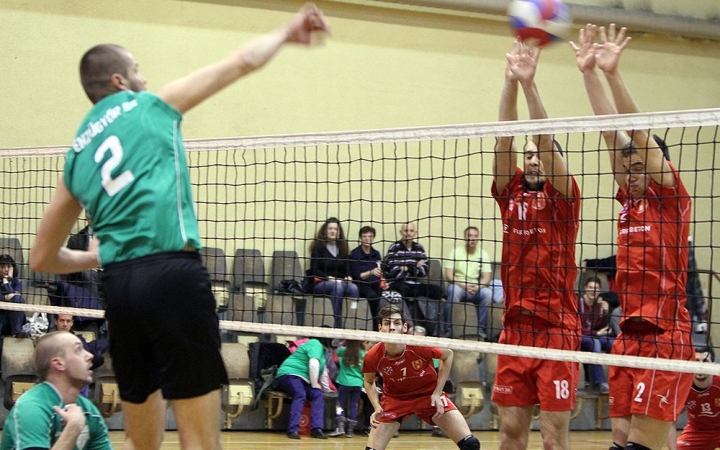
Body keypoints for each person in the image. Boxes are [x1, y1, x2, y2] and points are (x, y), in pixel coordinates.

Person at [28, 5, 330, 450]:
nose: (145, 78)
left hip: (120, 288)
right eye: (137, 70)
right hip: (173, 277)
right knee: (201, 441)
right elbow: (239, 62)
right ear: (120, 81)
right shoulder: (150, 107)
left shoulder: (77, 153)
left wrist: (98, 255)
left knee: (140, 441)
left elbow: (42, 257)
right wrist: (287, 31)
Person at [571, 23, 695, 450]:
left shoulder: (671, 197)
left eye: (640, 166)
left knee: (640, 447)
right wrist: (588, 72)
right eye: (627, 168)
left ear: (658, 165)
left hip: (665, 334)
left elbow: (638, 134)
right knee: (621, 444)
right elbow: (612, 133)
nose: (631, 173)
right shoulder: (627, 199)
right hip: (629, 336)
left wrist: (613, 73)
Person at [491, 40, 581, 450]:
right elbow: (503, 141)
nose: (532, 159)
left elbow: (545, 139)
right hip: (515, 330)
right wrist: (509, 81)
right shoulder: (510, 192)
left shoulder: (564, 199)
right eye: (527, 154)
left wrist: (530, 85)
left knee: (552, 438)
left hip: (556, 331)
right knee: (510, 434)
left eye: (539, 154)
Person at [362, 305, 480, 450]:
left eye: (397, 323)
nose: (392, 327)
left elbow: (448, 355)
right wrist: (377, 407)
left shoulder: (418, 345)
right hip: (396, 400)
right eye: (387, 323)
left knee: (470, 445)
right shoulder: (373, 355)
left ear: (404, 327)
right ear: (380, 328)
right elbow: (368, 382)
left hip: (428, 396)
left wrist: (437, 392)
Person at [0, 331, 112, 450]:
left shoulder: (90, 412)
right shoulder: (30, 408)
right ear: (58, 363)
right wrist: (72, 430)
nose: (90, 356)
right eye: (78, 350)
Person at [441, 226, 502, 340]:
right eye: (469, 236)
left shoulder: (483, 254)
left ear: (478, 238)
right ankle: (449, 329)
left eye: (475, 236)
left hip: (476, 287)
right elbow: (449, 275)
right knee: (453, 291)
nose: (472, 239)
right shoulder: (456, 252)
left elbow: (486, 278)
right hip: (459, 285)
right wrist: (464, 285)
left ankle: (481, 330)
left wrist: (478, 287)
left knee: (488, 293)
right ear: (464, 237)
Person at [384, 221, 443, 336]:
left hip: (415, 285)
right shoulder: (394, 248)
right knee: (403, 290)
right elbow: (395, 273)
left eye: (411, 231)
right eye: (406, 231)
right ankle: (408, 327)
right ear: (401, 232)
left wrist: (406, 267)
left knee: (438, 291)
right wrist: (415, 266)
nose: (408, 233)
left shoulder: (419, 248)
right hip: (399, 284)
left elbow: (424, 271)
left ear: (415, 232)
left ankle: (435, 331)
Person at [308, 217, 360, 328]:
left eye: (335, 229)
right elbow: (314, 270)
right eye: (330, 228)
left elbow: (347, 267)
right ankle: (337, 324)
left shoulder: (343, 248)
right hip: (321, 283)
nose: (333, 231)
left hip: (340, 281)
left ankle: (352, 320)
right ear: (325, 231)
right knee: (337, 288)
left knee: (353, 288)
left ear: (339, 232)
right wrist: (328, 277)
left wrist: (348, 276)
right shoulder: (318, 248)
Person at [275, 337, 332, 439]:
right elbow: (313, 364)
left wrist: (327, 389)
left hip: (304, 381)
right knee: (300, 394)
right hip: (289, 375)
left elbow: (323, 372)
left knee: (318, 394)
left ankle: (316, 429)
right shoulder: (315, 343)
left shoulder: (322, 352)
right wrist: (315, 384)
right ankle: (293, 430)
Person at [667, 346, 720, 450]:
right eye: (696, 361)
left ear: (713, 365)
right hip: (697, 430)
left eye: (705, 361)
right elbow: (670, 420)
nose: (700, 366)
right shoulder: (683, 387)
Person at [55, 313, 110, 397]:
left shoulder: (79, 341)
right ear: (56, 321)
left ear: (72, 323)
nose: (65, 324)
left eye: (68, 321)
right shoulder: (48, 341)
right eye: (62, 320)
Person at [328, 339, 368, 438]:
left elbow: (337, 352)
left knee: (340, 404)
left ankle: (340, 427)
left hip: (344, 381)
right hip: (358, 382)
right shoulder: (364, 354)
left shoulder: (343, 350)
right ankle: (350, 430)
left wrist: (345, 342)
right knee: (354, 404)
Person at [578, 277, 610, 394]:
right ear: (585, 288)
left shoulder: (599, 305)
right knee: (594, 342)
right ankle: (599, 382)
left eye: (596, 288)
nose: (593, 291)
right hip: (579, 337)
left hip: (594, 336)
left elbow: (600, 326)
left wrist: (606, 313)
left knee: (615, 342)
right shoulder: (577, 303)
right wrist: (595, 333)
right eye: (591, 287)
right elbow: (576, 328)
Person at [350, 225, 384, 324]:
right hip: (361, 284)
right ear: (360, 238)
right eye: (364, 236)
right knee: (373, 296)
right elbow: (357, 276)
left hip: (375, 283)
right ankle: (375, 323)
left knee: (386, 294)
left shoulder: (376, 253)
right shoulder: (355, 253)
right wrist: (371, 272)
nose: (367, 239)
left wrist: (384, 281)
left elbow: (380, 270)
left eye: (370, 236)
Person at [0, 254, 26, 337]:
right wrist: (5, 297)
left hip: (12, 320)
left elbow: (16, 297)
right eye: (2, 267)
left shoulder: (17, 283)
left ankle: (16, 333)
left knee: (17, 299)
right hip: (1, 319)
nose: (6, 269)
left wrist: (6, 282)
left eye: (9, 267)